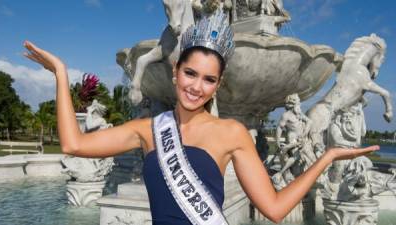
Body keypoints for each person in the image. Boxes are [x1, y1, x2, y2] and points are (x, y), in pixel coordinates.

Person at [23, 10, 378, 225]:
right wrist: (60, 73)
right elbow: (73, 143)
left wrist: (328, 156)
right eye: (191, 74)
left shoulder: (232, 133)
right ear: (175, 72)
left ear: (217, 85)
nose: (196, 86)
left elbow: (273, 208)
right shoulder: (146, 130)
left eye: (208, 79)